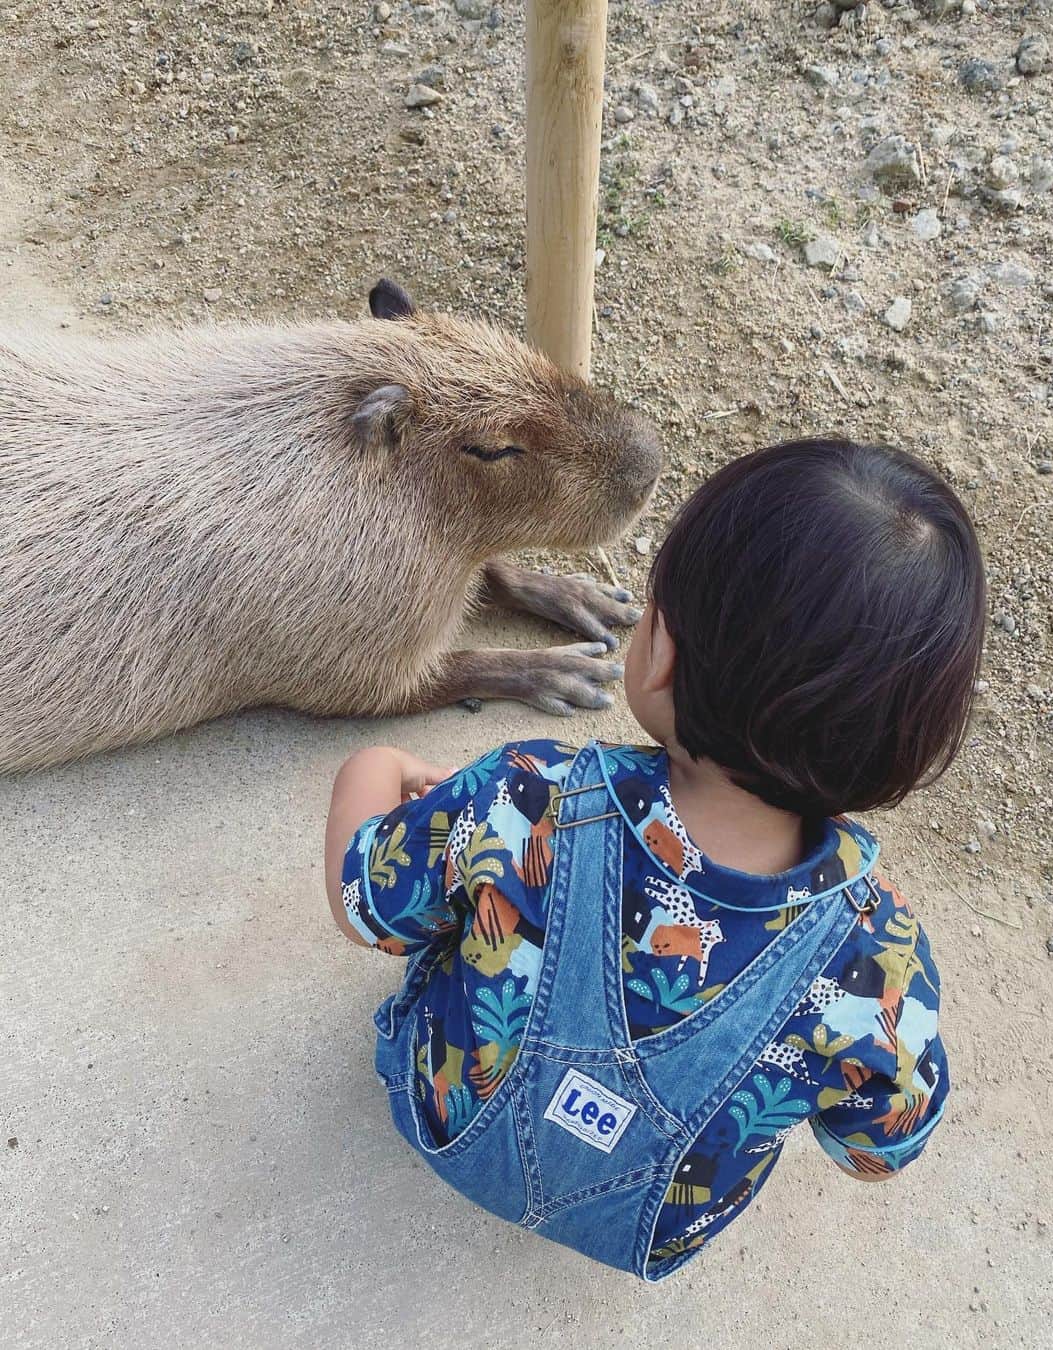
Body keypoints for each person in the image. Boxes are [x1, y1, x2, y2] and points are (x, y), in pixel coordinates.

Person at [323, 437, 985, 1281]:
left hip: (444, 1120)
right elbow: (876, 1155)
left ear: (662, 652)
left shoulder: (524, 797)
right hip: (647, 1232)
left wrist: (373, 771)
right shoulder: (883, 963)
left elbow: (363, 910)